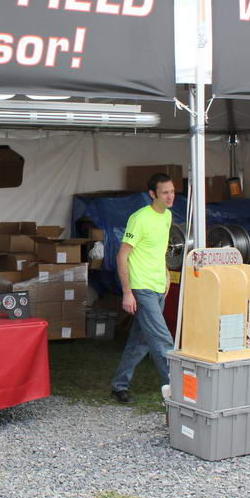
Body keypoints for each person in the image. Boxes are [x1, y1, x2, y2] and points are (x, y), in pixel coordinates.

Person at [110, 172, 176, 403]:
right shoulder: (139, 218)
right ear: (152, 194)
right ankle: (179, 391)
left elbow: (159, 250)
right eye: (165, 192)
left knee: (140, 341)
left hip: (159, 286)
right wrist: (127, 292)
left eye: (172, 191)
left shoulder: (167, 216)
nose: (170, 197)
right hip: (142, 287)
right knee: (162, 339)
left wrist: (166, 275)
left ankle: (119, 385)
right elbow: (122, 255)